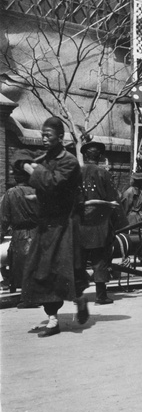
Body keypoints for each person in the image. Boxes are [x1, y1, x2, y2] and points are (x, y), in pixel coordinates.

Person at [19, 116, 89, 337]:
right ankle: (53, 318)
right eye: (42, 135)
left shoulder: (69, 162)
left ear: (60, 137)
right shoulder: (45, 157)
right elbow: (20, 156)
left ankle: (77, 300)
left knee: (64, 271)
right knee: (43, 271)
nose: (44, 139)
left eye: (48, 135)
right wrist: (26, 163)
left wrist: (31, 170)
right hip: (46, 225)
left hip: (64, 224)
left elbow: (52, 183)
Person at [79, 140, 128, 304]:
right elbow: (113, 199)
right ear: (99, 156)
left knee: (79, 259)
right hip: (100, 225)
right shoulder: (103, 173)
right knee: (100, 259)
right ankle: (101, 296)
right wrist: (121, 225)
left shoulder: (76, 172)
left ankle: (77, 294)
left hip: (80, 224)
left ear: (85, 155)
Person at [0, 151, 39, 294]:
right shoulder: (38, 191)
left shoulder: (11, 193)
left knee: (21, 267)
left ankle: (26, 297)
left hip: (20, 236)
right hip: (38, 233)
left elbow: (3, 219)